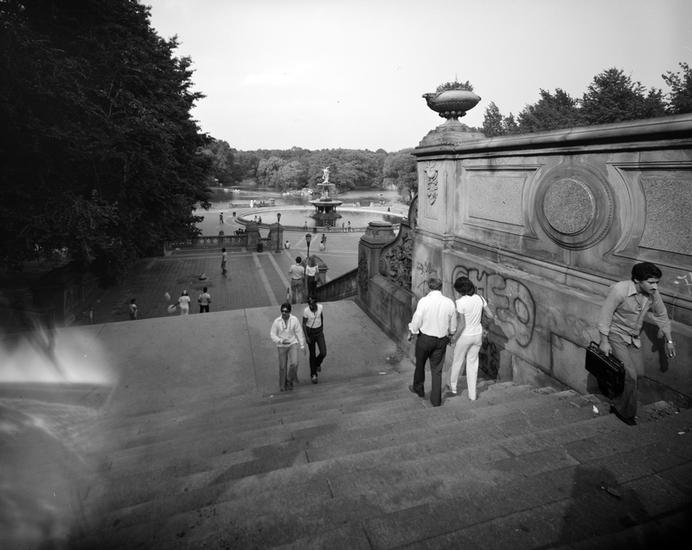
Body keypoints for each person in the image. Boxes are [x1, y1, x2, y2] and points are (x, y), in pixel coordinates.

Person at [597, 262, 676, 425]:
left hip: (633, 337)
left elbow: (662, 315)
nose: (655, 287)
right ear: (637, 280)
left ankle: (615, 394)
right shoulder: (619, 290)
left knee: (639, 373)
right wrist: (604, 341)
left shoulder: (653, 293)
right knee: (630, 376)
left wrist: (669, 341)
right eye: (651, 282)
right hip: (615, 334)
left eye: (657, 282)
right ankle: (624, 412)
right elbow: (605, 315)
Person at [407, 277, 457, 407]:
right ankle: (436, 400)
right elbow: (453, 323)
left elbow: (417, 319)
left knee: (420, 364)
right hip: (441, 340)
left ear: (429, 287)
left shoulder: (424, 301)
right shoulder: (449, 303)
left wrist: (412, 331)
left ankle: (419, 389)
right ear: (441, 287)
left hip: (425, 339)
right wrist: (451, 334)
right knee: (437, 370)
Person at [447, 277, 494, 400]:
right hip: (477, 335)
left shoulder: (460, 302)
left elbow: (462, 324)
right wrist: (484, 326)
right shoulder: (480, 298)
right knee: (473, 364)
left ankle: (453, 387)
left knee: (457, 361)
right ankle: (472, 395)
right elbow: (490, 315)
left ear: (460, 290)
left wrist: (454, 338)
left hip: (465, 336)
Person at [270, 302, 306, 391]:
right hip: (281, 345)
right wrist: (281, 340)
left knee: (295, 363)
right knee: (282, 366)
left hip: (292, 343)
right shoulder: (277, 321)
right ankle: (282, 385)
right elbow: (272, 334)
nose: (284, 313)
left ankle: (290, 380)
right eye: (282, 311)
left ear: (289, 312)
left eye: (286, 311)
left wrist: (302, 345)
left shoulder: (294, 320)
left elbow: (299, 332)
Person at [303, 296, 327, 384]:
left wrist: (321, 326)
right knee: (312, 354)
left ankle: (317, 363)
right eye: (309, 303)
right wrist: (306, 337)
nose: (311, 305)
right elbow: (304, 324)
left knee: (323, 352)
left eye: (312, 303)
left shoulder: (320, 307)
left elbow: (321, 317)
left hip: (319, 332)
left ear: (315, 302)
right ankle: (313, 374)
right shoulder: (306, 311)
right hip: (311, 333)